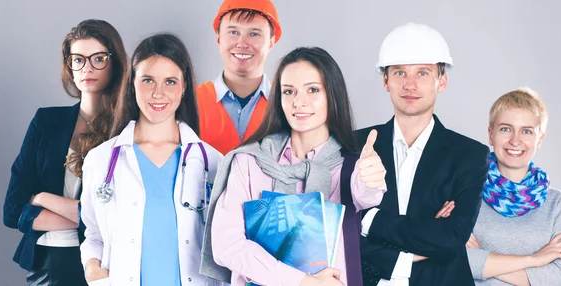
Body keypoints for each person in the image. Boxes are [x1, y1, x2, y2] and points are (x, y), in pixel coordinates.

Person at [200, 46, 387, 286]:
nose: (299, 102)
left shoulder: (349, 167)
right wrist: (302, 281)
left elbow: (367, 195)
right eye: (289, 91)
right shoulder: (250, 162)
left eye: (313, 90)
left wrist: (372, 178)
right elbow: (227, 245)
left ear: (333, 95)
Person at [79, 33, 223, 286]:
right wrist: (92, 267)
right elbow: (93, 234)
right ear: (132, 82)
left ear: (184, 86)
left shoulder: (212, 162)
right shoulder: (101, 160)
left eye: (170, 81)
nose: (158, 93)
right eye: (148, 80)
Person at [356, 22, 490, 286]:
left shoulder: (470, 155)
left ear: (442, 81)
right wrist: (425, 236)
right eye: (400, 73)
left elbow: (452, 237)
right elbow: (341, 236)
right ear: (386, 80)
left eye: (422, 73)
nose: (410, 85)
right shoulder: (356, 143)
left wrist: (370, 220)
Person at [2, 19, 127, 285]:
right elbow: (12, 211)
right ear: (69, 65)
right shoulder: (46, 122)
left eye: (98, 58)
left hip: (104, 264)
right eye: (78, 59)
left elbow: (121, 219)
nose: (87, 68)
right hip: (46, 263)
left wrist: (43, 198)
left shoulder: (126, 131)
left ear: (115, 63)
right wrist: (86, 218)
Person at [466, 88, 561, 285]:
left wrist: (484, 260)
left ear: (539, 139)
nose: (515, 141)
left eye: (526, 131)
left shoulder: (556, 203)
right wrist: (533, 260)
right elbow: (456, 259)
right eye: (506, 129)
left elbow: (557, 279)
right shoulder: (465, 192)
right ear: (491, 134)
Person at [196, 0, 282, 155]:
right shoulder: (192, 100)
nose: (242, 43)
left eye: (254, 33)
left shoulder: (285, 103)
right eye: (233, 32)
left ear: (271, 42)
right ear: (219, 39)